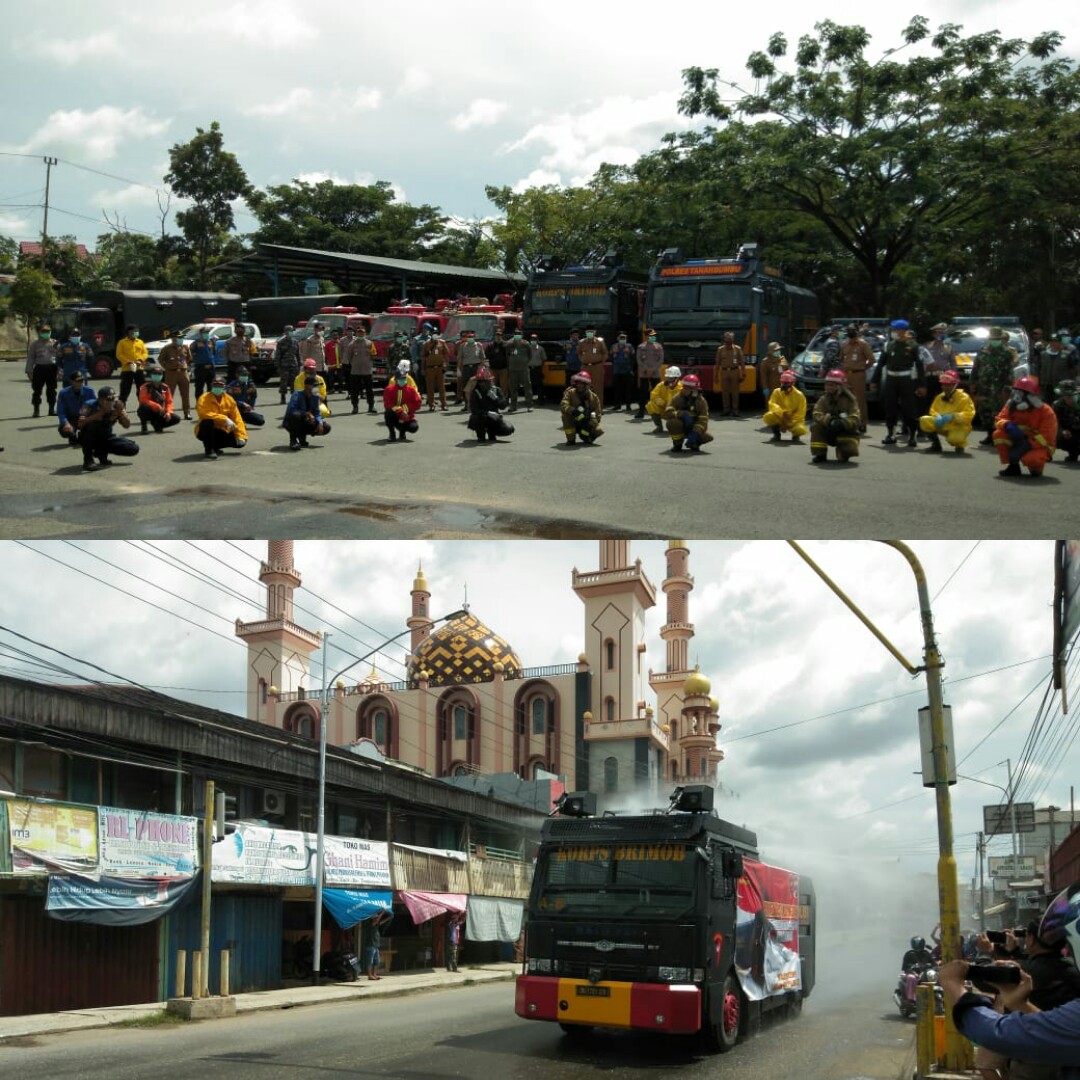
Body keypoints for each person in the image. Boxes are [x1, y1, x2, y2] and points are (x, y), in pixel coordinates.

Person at [938, 883, 1080, 1080]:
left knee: (987, 1064)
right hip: (1049, 1049)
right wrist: (1021, 1004)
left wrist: (954, 986)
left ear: (1030, 939)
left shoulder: (1029, 970)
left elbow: (996, 1032)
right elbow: (1057, 1029)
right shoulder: (1070, 969)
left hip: (1032, 1053)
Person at [870, 319, 924, 447]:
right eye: (893, 330)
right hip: (891, 380)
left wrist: (921, 385)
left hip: (906, 380)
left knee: (909, 409)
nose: (893, 332)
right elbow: (881, 364)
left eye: (896, 330)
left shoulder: (914, 346)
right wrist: (874, 380)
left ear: (903, 331)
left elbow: (920, 366)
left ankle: (912, 436)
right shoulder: (888, 345)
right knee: (890, 408)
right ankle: (891, 434)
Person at [994, 375, 1058, 478]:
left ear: (1031, 395)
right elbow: (999, 419)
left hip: (1037, 444)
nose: (1016, 396)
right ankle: (1013, 467)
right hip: (1018, 438)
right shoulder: (1011, 405)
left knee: (1033, 462)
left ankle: (1037, 467)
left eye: (1020, 392)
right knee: (999, 434)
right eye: (1015, 391)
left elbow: (1047, 437)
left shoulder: (1046, 411)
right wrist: (1007, 425)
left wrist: (1027, 445)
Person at [971, 326, 1019, 445]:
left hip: (999, 388)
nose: (995, 340)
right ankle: (989, 434)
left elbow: (1010, 373)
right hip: (984, 388)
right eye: (993, 338)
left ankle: (998, 435)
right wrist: (972, 383)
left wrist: (1007, 389)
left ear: (1001, 339)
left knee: (998, 413)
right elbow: (975, 368)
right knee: (984, 412)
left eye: (997, 338)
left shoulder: (1007, 352)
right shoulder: (983, 351)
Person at [77, 385, 139, 471]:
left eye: (114, 398)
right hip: (90, 437)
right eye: (109, 399)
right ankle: (88, 461)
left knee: (133, 448)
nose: (112, 401)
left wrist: (121, 412)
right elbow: (80, 424)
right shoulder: (90, 405)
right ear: (101, 400)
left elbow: (127, 425)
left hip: (106, 437)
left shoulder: (116, 406)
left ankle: (100, 452)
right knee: (90, 427)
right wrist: (98, 415)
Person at [810, 369, 861, 463]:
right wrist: (829, 421)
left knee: (845, 454)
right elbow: (816, 414)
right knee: (816, 427)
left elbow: (856, 418)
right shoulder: (823, 399)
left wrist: (842, 424)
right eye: (827, 385)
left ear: (840, 386)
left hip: (846, 431)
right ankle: (820, 455)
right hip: (829, 429)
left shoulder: (850, 400)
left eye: (832, 385)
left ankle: (844, 452)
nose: (829, 387)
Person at [918, 368, 975, 453]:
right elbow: (933, 409)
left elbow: (969, 414)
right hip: (943, 423)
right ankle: (936, 445)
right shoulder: (940, 396)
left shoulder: (964, 397)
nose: (945, 387)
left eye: (948, 385)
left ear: (955, 385)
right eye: (943, 384)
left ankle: (959, 445)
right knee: (924, 420)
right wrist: (937, 416)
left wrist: (953, 416)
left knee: (954, 439)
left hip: (957, 426)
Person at [194, 376, 248, 459]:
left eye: (220, 385)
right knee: (207, 422)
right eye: (215, 385)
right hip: (205, 430)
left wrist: (240, 436)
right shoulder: (204, 398)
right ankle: (209, 450)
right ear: (211, 385)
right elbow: (203, 413)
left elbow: (237, 418)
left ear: (224, 387)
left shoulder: (229, 399)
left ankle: (215, 446)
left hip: (222, 429)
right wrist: (224, 419)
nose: (217, 387)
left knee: (241, 441)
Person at [839, 324, 875, 432]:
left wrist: (863, 368)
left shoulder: (863, 344)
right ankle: (847, 422)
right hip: (846, 374)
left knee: (859, 400)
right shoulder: (844, 345)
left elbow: (872, 360)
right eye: (849, 330)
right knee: (845, 399)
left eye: (853, 330)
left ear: (857, 332)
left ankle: (862, 423)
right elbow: (841, 359)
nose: (851, 332)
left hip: (858, 374)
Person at [664, 373, 713, 453]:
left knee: (708, 437)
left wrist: (695, 432)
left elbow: (703, 420)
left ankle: (694, 443)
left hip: (695, 427)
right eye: (684, 387)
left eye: (687, 389)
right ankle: (677, 444)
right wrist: (680, 414)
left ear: (694, 390)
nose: (684, 390)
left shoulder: (701, 401)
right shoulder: (678, 397)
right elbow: (668, 411)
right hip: (681, 425)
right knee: (672, 423)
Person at [468, 366, 514, 443]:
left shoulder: (496, 390)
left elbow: (503, 406)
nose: (484, 384)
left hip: (494, 418)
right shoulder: (476, 392)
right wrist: (487, 413)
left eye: (487, 381)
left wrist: (496, 398)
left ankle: (492, 433)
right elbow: (474, 410)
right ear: (479, 383)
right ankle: (481, 435)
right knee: (475, 418)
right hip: (481, 417)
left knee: (509, 429)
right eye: (482, 382)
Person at [284, 375, 331, 450]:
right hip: (291, 422)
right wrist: (307, 413)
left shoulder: (315, 396)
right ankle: (293, 441)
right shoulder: (297, 394)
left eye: (317, 386)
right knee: (295, 415)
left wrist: (320, 423)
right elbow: (291, 411)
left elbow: (317, 412)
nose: (316, 388)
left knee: (326, 427)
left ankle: (302, 436)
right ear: (307, 386)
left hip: (306, 421)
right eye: (314, 385)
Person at [763, 369, 808, 442]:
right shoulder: (776, 392)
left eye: (787, 383)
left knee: (800, 429)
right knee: (769, 416)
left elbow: (801, 413)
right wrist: (782, 413)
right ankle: (776, 435)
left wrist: (790, 421)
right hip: (780, 417)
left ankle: (795, 436)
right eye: (783, 383)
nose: (785, 385)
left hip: (793, 420)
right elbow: (772, 405)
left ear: (793, 383)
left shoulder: (799, 395)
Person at [560, 370, 603, 445]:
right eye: (578, 383)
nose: (580, 385)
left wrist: (591, 422)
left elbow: (598, 414)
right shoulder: (570, 393)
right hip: (573, 419)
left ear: (587, 385)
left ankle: (586, 436)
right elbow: (563, 404)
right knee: (565, 416)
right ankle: (571, 439)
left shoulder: (593, 397)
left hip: (585, 422)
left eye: (582, 384)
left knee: (598, 430)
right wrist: (573, 411)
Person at [158, 330, 193, 419]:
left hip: (183, 373)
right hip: (171, 373)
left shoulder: (185, 347)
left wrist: (184, 365)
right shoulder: (167, 348)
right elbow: (161, 359)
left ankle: (187, 412)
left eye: (182, 337)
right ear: (173, 338)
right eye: (179, 337)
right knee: (169, 394)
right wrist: (168, 367)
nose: (181, 339)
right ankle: (168, 412)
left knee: (185, 394)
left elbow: (188, 358)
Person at [136, 365, 182, 433]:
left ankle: (158, 425)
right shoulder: (145, 387)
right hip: (150, 411)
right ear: (151, 375)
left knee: (176, 419)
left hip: (160, 412)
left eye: (159, 374)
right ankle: (144, 426)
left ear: (162, 376)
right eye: (155, 374)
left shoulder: (165, 387)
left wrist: (168, 412)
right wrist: (157, 406)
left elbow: (169, 402)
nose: (156, 375)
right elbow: (143, 400)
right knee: (143, 407)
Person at [56, 371, 96, 448]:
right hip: (72, 418)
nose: (80, 382)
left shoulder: (89, 391)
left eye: (82, 380)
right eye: (78, 381)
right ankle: (72, 436)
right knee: (65, 431)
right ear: (71, 382)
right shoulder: (63, 393)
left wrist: (90, 419)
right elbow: (61, 412)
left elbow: (95, 407)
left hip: (86, 417)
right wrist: (65, 423)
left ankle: (84, 435)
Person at [923, 322, 958, 410]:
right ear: (933, 333)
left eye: (942, 333)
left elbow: (953, 363)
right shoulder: (926, 346)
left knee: (945, 400)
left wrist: (954, 377)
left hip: (944, 378)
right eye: (938, 332)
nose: (940, 334)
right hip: (930, 377)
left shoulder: (949, 347)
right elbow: (922, 362)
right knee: (928, 401)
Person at [26, 323, 58, 417]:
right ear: (40, 332)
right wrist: (29, 371)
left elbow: (60, 357)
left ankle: (51, 410)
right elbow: (31, 358)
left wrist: (59, 369)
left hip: (52, 368)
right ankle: (36, 410)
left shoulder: (55, 343)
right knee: (37, 391)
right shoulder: (35, 344)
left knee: (52, 390)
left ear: (50, 332)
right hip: (39, 368)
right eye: (43, 331)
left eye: (47, 331)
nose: (46, 333)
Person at [1036, 332, 1079, 400]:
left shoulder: (1067, 355)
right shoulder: (1043, 354)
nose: (1053, 343)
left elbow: (1073, 370)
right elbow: (1039, 369)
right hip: (1046, 386)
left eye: (1056, 341)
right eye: (1051, 341)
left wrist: (1070, 383)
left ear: (1060, 342)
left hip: (1061, 387)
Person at [384, 366, 422, 442]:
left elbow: (418, 403)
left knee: (414, 427)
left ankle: (402, 432)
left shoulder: (411, 390)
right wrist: (401, 411)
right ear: (395, 380)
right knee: (388, 412)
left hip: (407, 416)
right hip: (395, 415)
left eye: (404, 378)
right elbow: (388, 404)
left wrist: (405, 409)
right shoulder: (389, 389)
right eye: (400, 379)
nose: (403, 380)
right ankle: (392, 434)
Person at [345, 325, 377, 414]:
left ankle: (371, 406)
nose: (360, 334)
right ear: (356, 333)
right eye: (359, 332)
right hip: (355, 371)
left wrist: (369, 363)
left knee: (369, 390)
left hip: (367, 371)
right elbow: (349, 356)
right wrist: (354, 364)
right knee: (354, 390)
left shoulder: (370, 343)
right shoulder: (352, 344)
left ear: (365, 333)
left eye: (362, 333)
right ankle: (355, 407)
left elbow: (374, 354)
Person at [713, 331, 746, 417]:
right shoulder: (720, 350)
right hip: (724, 371)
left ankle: (735, 410)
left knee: (735, 392)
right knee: (725, 392)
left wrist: (743, 373)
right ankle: (726, 409)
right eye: (727, 339)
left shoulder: (738, 349)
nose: (728, 341)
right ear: (724, 339)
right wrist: (715, 376)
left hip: (735, 371)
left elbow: (742, 362)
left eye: (730, 339)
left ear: (733, 340)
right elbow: (717, 363)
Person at [578, 327, 608, 412]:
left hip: (597, 367)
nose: (589, 333)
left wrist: (600, 363)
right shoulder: (581, 342)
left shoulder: (600, 342)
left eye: (591, 331)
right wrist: (582, 360)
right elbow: (579, 353)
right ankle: (585, 408)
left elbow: (605, 353)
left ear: (595, 332)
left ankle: (598, 409)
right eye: (588, 332)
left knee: (598, 389)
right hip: (585, 367)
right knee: (583, 388)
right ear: (585, 332)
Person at [116, 324, 147, 406]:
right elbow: (119, 354)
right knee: (125, 390)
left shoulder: (140, 342)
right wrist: (128, 361)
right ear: (128, 332)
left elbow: (145, 353)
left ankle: (143, 406)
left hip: (139, 369)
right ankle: (122, 408)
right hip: (127, 369)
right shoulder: (122, 342)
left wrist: (140, 359)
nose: (135, 333)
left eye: (136, 331)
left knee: (141, 389)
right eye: (133, 331)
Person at [645, 365, 683, 433]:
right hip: (664, 408)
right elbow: (653, 395)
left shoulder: (682, 388)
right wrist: (662, 403)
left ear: (677, 378)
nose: (669, 379)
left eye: (671, 377)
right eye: (668, 377)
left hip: (676, 412)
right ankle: (659, 427)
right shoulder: (661, 385)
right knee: (651, 405)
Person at [635, 330, 664, 419]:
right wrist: (646, 369)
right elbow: (638, 360)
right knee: (643, 393)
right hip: (644, 373)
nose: (653, 337)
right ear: (646, 336)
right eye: (651, 336)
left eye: (654, 336)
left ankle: (656, 412)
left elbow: (661, 360)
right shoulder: (641, 347)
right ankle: (641, 412)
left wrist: (653, 369)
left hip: (655, 373)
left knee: (656, 393)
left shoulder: (658, 347)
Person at [422, 328, 450, 411]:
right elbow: (423, 357)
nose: (435, 334)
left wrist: (446, 365)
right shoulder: (426, 344)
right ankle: (431, 405)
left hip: (440, 367)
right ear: (431, 334)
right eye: (434, 333)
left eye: (436, 333)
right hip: (430, 368)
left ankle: (444, 404)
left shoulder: (442, 343)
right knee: (430, 387)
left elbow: (446, 355)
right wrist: (422, 368)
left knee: (442, 387)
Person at [455, 330, 485, 409]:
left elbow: (482, 358)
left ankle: (477, 404)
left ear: (474, 337)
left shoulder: (479, 345)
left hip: (476, 367)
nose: (470, 338)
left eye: (471, 337)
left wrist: (482, 368)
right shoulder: (463, 346)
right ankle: (467, 404)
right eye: (468, 337)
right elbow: (460, 358)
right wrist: (458, 369)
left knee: (477, 387)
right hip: (466, 368)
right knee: (466, 387)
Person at [505, 330, 533, 413]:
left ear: (522, 335)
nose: (517, 336)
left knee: (527, 388)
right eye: (516, 334)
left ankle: (529, 406)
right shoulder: (510, 344)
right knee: (513, 389)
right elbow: (507, 356)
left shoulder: (526, 344)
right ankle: (513, 406)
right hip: (513, 369)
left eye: (519, 334)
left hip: (523, 369)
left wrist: (525, 363)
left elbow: (530, 355)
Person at [608, 331, 636, 413]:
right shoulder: (614, 346)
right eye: (621, 338)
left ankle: (628, 405)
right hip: (617, 370)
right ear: (618, 338)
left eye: (624, 338)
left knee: (628, 389)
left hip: (627, 370)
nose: (622, 339)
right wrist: (613, 353)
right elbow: (610, 358)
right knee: (617, 389)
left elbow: (633, 358)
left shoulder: (629, 346)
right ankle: (617, 405)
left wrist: (631, 368)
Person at [273, 325, 301, 405]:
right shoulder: (281, 342)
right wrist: (277, 366)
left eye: (291, 331)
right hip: (284, 365)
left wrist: (299, 365)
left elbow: (298, 354)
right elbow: (278, 355)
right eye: (288, 331)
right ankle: (283, 397)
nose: (290, 332)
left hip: (294, 365)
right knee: (283, 382)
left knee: (294, 382)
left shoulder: (295, 342)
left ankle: (293, 398)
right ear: (285, 332)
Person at [1053, 379, 1079, 463]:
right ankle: (1073, 454)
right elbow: (1054, 422)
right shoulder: (1057, 405)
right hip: (1067, 433)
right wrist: (1062, 431)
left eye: (1071, 395)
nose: (1069, 397)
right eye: (1066, 395)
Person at [190, 326, 218, 400]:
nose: (207, 334)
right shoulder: (196, 342)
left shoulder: (211, 341)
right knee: (199, 386)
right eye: (205, 332)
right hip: (200, 367)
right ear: (201, 333)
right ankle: (199, 402)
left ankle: (211, 401)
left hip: (211, 367)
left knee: (211, 386)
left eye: (208, 332)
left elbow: (213, 352)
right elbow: (191, 352)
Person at [758, 341, 786, 411]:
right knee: (771, 408)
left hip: (781, 387)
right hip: (771, 389)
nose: (778, 351)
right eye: (776, 350)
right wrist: (765, 388)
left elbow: (787, 370)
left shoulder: (782, 359)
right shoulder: (765, 362)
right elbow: (763, 376)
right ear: (771, 351)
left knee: (782, 407)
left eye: (779, 350)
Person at [366, 909, 392, 980]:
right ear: (373, 919)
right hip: (371, 945)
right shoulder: (371, 925)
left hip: (376, 946)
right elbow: (378, 920)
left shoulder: (376, 925)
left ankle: (374, 974)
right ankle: (369, 975)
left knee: (376, 961)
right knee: (370, 961)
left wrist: (389, 918)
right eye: (375, 918)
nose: (376, 919)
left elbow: (383, 921)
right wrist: (383, 912)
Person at [487, 328, 510, 398]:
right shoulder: (490, 345)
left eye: (499, 335)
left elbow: (508, 355)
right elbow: (486, 355)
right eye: (497, 335)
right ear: (495, 336)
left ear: (502, 336)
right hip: (493, 368)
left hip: (503, 368)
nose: (498, 337)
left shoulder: (506, 344)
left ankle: (504, 399)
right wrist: (494, 352)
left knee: (504, 385)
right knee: (493, 386)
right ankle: (494, 400)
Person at [527, 333, 546, 401]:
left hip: (537, 368)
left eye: (535, 339)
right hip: (529, 369)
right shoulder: (527, 348)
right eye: (532, 339)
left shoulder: (541, 349)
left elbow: (543, 359)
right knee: (529, 385)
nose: (533, 341)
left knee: (539, 384)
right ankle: (529, 399)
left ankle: (540, 398)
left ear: (537, 340)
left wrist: (540, 366)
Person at [323, 328, 342, 393]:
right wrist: (326, 362)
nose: (335, 336)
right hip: (331, 364)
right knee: (331, 377)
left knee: (340, 377)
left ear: (338, 336)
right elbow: (325, 354)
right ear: (331, 336)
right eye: (333, 335)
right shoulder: (328, 344)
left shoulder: (341, 343)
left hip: (340, 363)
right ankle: (332, 389)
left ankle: (340, 389)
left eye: (336, 335)